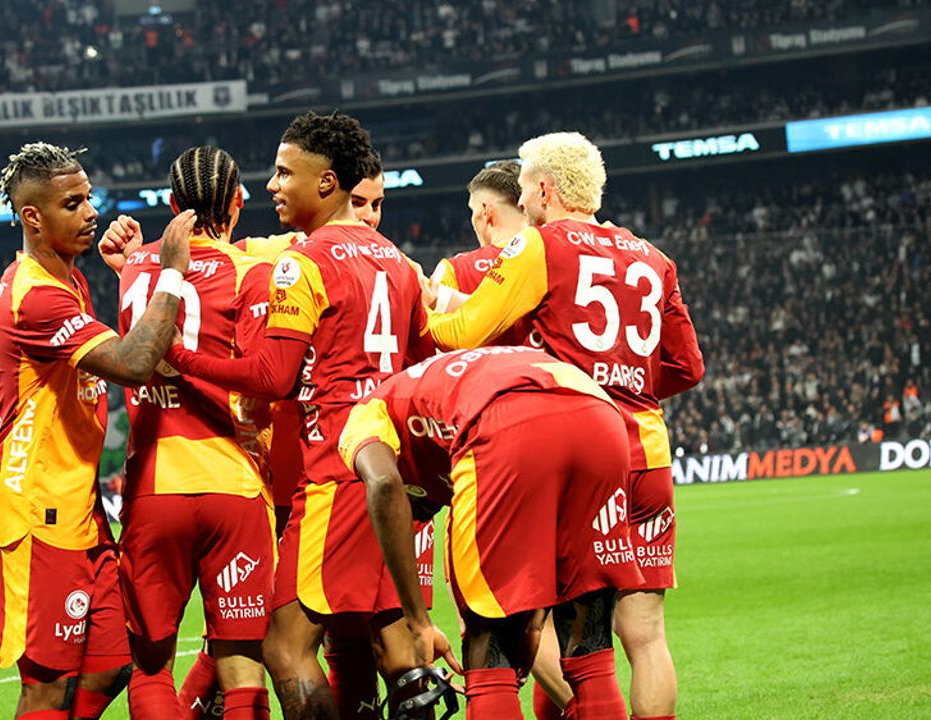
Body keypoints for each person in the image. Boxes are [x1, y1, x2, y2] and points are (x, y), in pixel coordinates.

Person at [163, 112, 435, 719]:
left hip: (335, 473)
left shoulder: (302, 261)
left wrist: (180, 356)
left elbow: (272, 376)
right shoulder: (396, 260)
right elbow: (421, 368)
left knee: (283, 645)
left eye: (285, 172)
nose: (272, 185)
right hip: (386, 472)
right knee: (393, 643)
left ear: (326, 181)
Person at [426, 131, 705, 720]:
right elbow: (686, 366)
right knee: (646, 634)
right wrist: (627, 381)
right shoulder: (653, 257)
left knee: (554, 619)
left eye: (525, 186)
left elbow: (463, 333)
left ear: (544, 189)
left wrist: (428, 308)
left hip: (573, 451)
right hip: (647, 453)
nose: (522, 199)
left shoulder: (539, 245)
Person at [0, 141, 194, 720]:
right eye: (73, 204)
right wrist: (169, 270)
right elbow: (133, 362)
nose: (92, 212)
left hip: (76, 506)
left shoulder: (67, 281)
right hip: (28, 507)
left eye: (89, 198)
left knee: (114, 661)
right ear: (32, 217)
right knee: (46, 685)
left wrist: (132, 267)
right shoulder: (34, 295)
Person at [340, 345, 645, 719]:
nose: (421, 515)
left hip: (505, 418)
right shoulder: (439, 387)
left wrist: (418, 622)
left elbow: (385, 485)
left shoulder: (366, 412)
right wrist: (533, 621)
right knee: (591, 644)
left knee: (489, 650)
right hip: (599, 412)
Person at [114, 146, 276, 720]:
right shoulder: (251, 271)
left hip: (153, 487)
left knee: (150, 667)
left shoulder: (135, 269)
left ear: (172, 203)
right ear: (237, 202)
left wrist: (131, 259)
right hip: (232, 483)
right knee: (241, 663)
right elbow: (261, 379)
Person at [427, 160, 526, 311]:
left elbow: (427, 321)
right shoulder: (554, 257)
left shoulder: (455, 270)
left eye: (473, 211)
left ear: (486, 212)